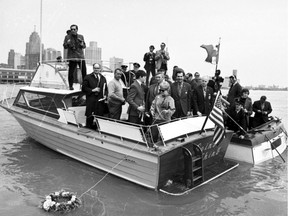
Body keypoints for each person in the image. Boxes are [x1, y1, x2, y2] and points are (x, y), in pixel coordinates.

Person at [82, 63, 108, 129]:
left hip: (100, 102)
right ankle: (88, 132)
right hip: (91, 102)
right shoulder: (88, 77)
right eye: (95, 68)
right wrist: (93, 90)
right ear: (93, 69)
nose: (96, 69)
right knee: (90, 118)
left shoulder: (103, 78)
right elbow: (84, 89)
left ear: (100, 69)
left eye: (98, 68)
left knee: (98, 120)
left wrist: (105, 95)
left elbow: (106, 89)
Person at [63, 24, 87, 90]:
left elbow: (84, 46)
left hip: (80, 57)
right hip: (72, 57)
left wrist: (82, 44)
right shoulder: (67, 37)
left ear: (77, 30)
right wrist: (67, 43)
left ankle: (84, 86)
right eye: (71, 29)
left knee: (84, 72)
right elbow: (64, 46)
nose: (73, 31)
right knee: (71, 73)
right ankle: (70, 86)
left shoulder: (81, 36)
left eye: (74, 29)